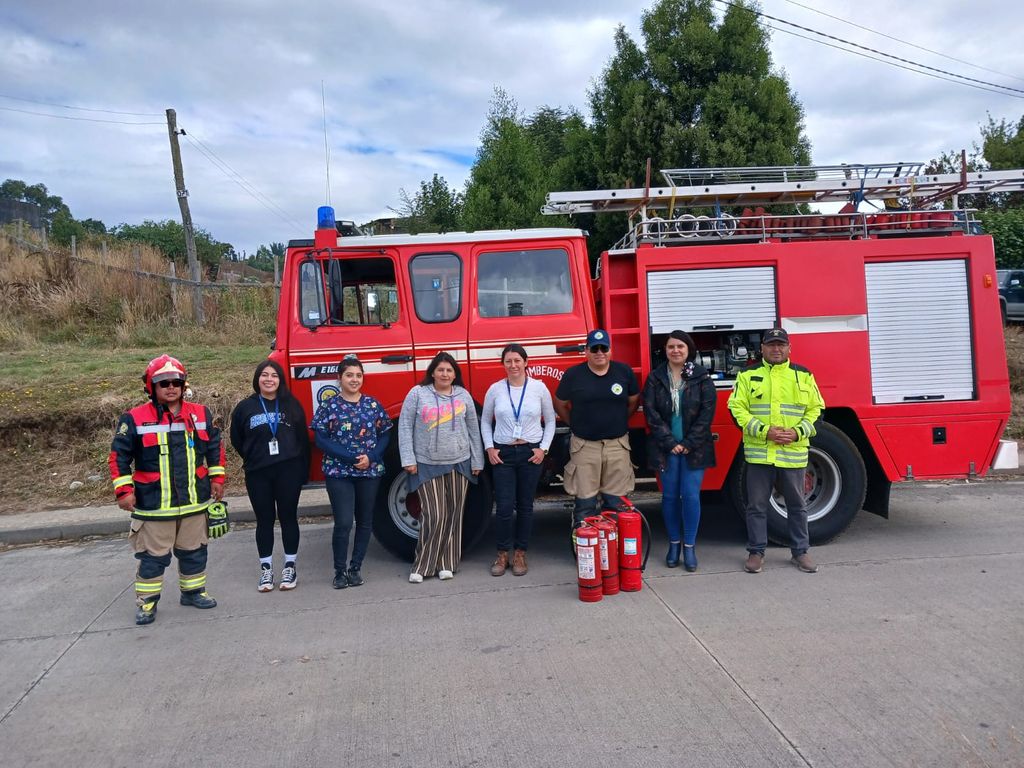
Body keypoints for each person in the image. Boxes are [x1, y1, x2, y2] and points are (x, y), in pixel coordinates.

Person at [109, 355, 226, 626]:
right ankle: (147, 603)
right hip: (154, 504)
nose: (171, 387)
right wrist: (124, 490)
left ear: (184, 385)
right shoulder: (134, 418)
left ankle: (193, 592)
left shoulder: (200, 413)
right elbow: (119, 456)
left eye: (176, 382)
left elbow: (214, 449)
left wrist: (218, 479)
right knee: (152, 558)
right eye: (163, 383)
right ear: (151, 387)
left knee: (195, 551)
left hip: (194, 500)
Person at [727, 328, 825, 574]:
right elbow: (736, 409)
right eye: (771, 345)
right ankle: (756, 552)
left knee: (797, 505)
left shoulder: (803, 375)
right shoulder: (748, 375)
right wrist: (764, 430)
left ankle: (801, 552)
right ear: (762, 348)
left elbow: (817, 410)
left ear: (789, 348)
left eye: (781, 345)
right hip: (760, 453)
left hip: (792, 452)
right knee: (756, 506)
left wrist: (797, 432)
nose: (776, 349)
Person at [398, 352, 483, 583]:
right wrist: (408, 458)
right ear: (432, 372)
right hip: (427, 464)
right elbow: (404, 426)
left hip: (460, 462)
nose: (445, 374)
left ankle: (447, 563)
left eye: (449, 370)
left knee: (455, 514)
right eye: (440, 370)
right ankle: (422, 565)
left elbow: (474, 431)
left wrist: (477, 461)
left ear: (455, 374)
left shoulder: (463, 395)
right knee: (434, 515)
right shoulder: (417, 394)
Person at [310, 357, 393, 589]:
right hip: (339, 472)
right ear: (340, 378)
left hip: (369, 471)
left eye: (358, 375)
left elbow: (385, 433)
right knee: (344, 522)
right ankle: (339, 571)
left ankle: (355, 568)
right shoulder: (329, 406)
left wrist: (372, 457)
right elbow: (320, 438)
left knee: (365, 521)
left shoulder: (373, 405)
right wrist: (349, 458)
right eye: (349, 375)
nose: (354, 379)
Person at [229, 359, 310, 593]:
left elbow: (302, 439)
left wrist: (302, 470)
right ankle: (266, 570)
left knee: (288, 517)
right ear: (258, 379)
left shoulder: (291, 405)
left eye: (274, 375)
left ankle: (290, 566)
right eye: (264, 375)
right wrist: (254, 456)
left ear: (280, 380)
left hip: (288, 471)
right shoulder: (246, 407)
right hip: (258, 473)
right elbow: (237, 439)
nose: (269, 379)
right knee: (264, 520)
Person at [642, 330, 717, 571]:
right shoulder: (656, 378)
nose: (675, 350)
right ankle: (674, 544)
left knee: (691, 496)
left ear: (689, 350)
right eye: (671, 347)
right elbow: (651, 413)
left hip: (694, 449)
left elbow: (707, 414)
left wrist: (687, 443)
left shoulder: (701, 377)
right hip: (667, 449)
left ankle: (690, 547)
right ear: (665, 350)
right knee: (670, 497)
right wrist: (670, 443)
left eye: (680, 347)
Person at [481, 343, 556, 577]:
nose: (513, 365)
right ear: (503, 364)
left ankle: (520, 553)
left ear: (525, 362)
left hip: (530, 454)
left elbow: (551, 421)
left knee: (525, 506)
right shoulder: (495, 389)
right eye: (508, 361)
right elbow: (485, 421)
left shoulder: (538, 388)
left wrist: (543, 449)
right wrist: (489, 448)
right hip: (503, 454)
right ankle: (502, 554)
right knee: (503, 507)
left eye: (517, 360)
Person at [553, 329, 640, 528]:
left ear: (610, 351)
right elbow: (560, 403)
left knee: (616, 505)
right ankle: (586, 555)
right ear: (586, 351)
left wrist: (618, 420)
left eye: (604, 348)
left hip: (617, 446)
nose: (599, 352)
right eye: (594, 348)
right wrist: (575, 423)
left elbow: (634, 400)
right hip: (585, 446)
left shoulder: (623, 372)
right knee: (585, 505)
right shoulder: (574, 375)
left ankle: (612, 552)